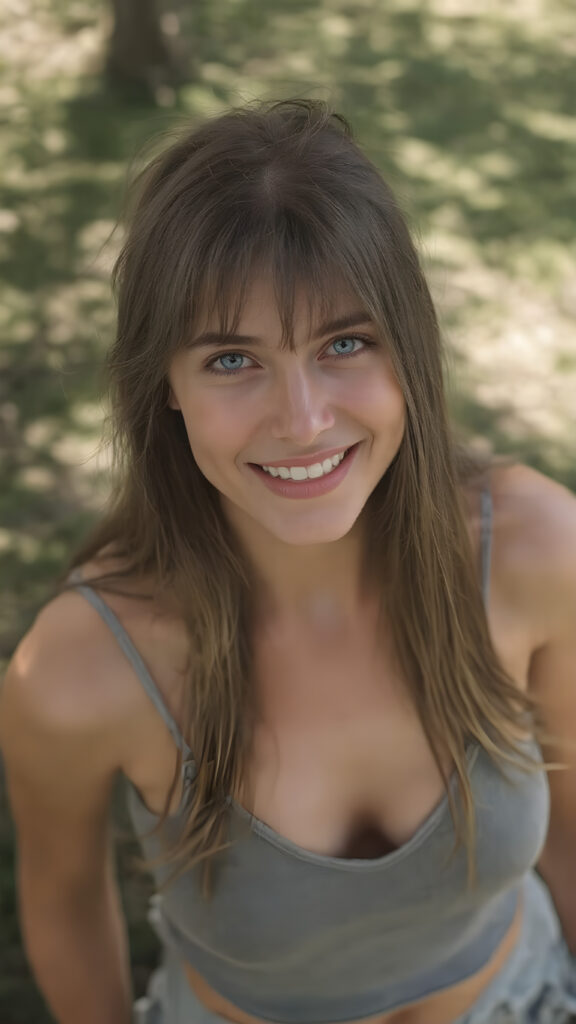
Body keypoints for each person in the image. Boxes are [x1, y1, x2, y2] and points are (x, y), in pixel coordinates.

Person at [1, 98, 575, 1024]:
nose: (303, 420)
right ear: (168, 391)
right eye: (233, 360)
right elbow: (65, 903)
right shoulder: (80, 672)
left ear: (410, 353)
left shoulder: (538, 554)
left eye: (345, 343)